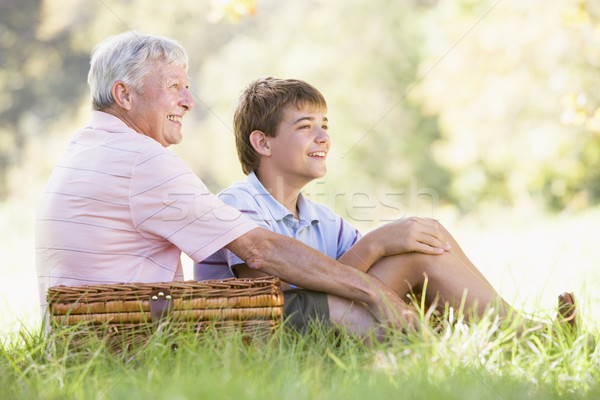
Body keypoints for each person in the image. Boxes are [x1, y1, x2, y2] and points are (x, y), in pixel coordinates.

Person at [36, 32, 423, 338]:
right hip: (123, 342)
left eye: (187, 87)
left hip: (83, 337)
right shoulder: (142, 160)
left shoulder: (87, 150)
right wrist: (373, 291)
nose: (188, 101)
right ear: (124, 94)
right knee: (365, 317)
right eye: (174, 87)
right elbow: (258, 251)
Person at [196, 77, 577, 335]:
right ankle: (527, 336)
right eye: (305, 126)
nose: (323, 136)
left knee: (423, 240)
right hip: (263, 332)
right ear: (262, 143)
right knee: (416, 256)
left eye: (325, 125)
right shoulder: (236, 203)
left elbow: (354, 277)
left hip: (320, 322)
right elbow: (267, 294)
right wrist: (377, 243)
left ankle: (516, 334)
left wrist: (400, 249)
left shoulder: (321, 219)